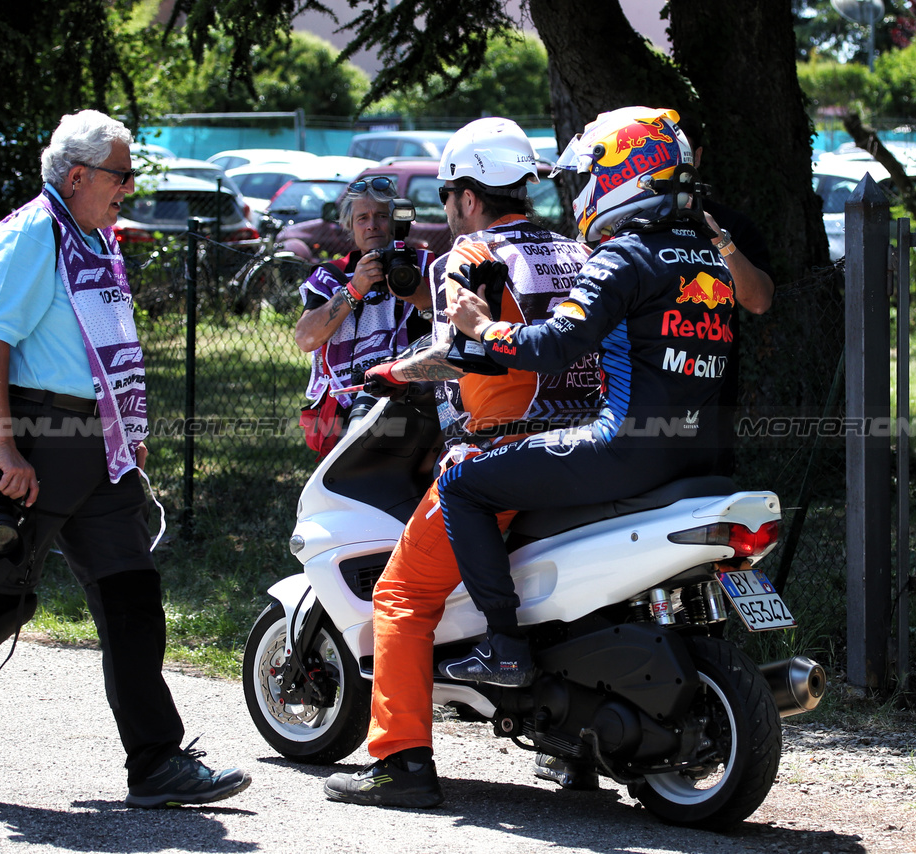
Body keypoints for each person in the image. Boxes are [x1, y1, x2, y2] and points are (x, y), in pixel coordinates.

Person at [0, 110, 251, 809]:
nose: (128, 187)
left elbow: (99, 343)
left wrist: (126, 428)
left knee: (133, 597)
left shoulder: (91, 237)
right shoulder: (33, 234)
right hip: (40, 441)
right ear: (78, 176)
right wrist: (3, 444)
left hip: (96, 447)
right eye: (120, 175)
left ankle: (156, 762)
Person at [322, 117, 598, 809]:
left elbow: (453, 350)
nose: (448, 210)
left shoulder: (472, 249)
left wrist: (392, 369)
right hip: (586, 447)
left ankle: (400, 762)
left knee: (401, 596)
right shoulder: (572, 248)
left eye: (449, 195)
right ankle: (577, 750)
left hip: (503, 449)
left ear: (468, 196)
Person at [432, 107, 736, 692]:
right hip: (702, 454)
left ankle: (504, 644)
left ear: (621, 174)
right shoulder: (705, 258)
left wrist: (481, 328)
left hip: (620, 447)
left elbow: (554, 346)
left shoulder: (624, 256)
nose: (585, 191)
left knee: (462, 485)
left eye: (591, 175)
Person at [294, 176, 433, 452]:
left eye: (382, 216)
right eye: (362, 218)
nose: (372, 225)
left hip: (416, 404)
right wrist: (354, 288)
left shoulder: (425, 265)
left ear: (396, 221)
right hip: (348, 407)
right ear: (349, 225)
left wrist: (415, 292)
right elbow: (305, 338)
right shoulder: (332, 275)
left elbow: (453, 322)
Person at [681, 121, 775, 475]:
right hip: (634, 404)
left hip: (711, 403)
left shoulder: (730, 223)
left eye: (681, 151)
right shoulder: (623, 226)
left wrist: (718, 237)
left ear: (699, 156)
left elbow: (760, 301)